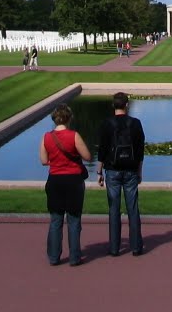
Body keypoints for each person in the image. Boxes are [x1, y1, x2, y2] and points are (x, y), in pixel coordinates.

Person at [39, 103, 92, 266]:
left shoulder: (47, 137)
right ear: (69, 118)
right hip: (73, 181)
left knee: (56, 219)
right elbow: (88, 156)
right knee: (74, 219)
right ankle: (75, 257)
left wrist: (56, 161)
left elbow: (43, 161)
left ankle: (54, 257)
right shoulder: (74, 136)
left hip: (55, 180)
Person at [96, 92, 145, 257]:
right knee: (133, 208)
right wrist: (139, 171)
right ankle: (136, 247)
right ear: (127, 105)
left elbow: (102, 149)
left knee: (113, 209)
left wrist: (99, 171)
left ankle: (114, 248)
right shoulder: (135, 123)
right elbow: (140, 151)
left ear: (113, 105)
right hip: (131, 170)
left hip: (112, 169)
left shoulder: (106, 123)